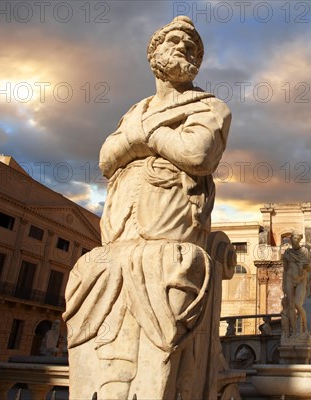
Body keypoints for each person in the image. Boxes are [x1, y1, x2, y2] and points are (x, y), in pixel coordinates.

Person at [64, 16, 231, 400]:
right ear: (154, 53)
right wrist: (154, 137)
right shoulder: (133, 111)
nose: (185, 48)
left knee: (162, 355)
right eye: (175, 41)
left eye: (193, 47)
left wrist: (142, 137)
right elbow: (106, 158)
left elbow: (197, 153)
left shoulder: (210, 107)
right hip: (119, 240)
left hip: (169, 239)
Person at [282, 232, 311, 338]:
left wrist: (303, 267)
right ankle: (294, 332)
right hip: (289, 278)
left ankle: (304, 328)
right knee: (290, 305)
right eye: (293, 238)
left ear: (299, 239)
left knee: (298, 304)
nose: (295, 240)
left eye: (297, 238)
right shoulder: (287, 253)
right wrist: (283, 285)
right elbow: (285, 270)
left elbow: (309, 268)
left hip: (301, 280)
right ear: (291, 239)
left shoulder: (305, 251)